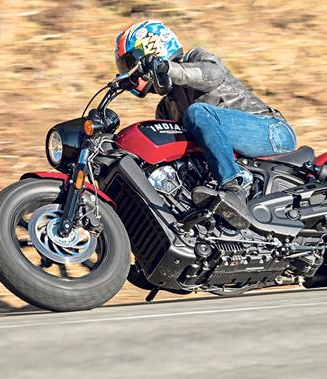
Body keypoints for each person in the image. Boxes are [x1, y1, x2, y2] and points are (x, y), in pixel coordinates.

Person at [115, 20, 297, 229]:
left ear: (152, 49)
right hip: (240, 154)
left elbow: (213, 75)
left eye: (131, 63)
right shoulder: (166, 108)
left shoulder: (195, 58)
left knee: (197, 113)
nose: (131, 72)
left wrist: (166, 68)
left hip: (271, 131)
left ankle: (233, 189)